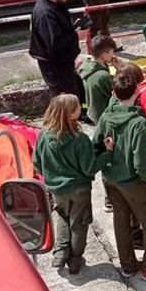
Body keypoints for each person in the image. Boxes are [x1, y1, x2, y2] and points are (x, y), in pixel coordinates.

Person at [92, 68, 146, 283]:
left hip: (110, 177)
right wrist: (144, 176)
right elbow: (141, 159)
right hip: (132, 180)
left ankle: (128, 264)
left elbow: (97, 143)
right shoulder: (137, 124)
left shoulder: (106, 115)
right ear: (137, 90)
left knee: (121, 218)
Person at [32, 94, 114, 273]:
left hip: (57, 189)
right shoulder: (80, 139)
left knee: (62, 216)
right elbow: (89, 168)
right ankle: (75, 259)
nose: (80, 108)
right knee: (79, 223)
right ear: (70, 114)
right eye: (77, 107)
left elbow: (37, 163)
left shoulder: (43, 136)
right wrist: (107, 153)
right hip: (79, 189)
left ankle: (60, 253)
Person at [29, 0, 84, 101]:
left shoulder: (56, 5)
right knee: (66, 100)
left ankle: (79, 115)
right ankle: (67, 120)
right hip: (55, 67)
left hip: (64, 63)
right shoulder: (45, 13)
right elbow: (55, 43)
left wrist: (73, 28)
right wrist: (76, 36)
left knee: (77, 93)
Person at [78, 35, 118, 125]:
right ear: (104, 55)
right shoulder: (103, 76)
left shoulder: (87, 67)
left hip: (93, 112)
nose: (113, 55)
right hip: (105, 117)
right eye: (112, 52)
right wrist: (120, 71)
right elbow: (118, 94)